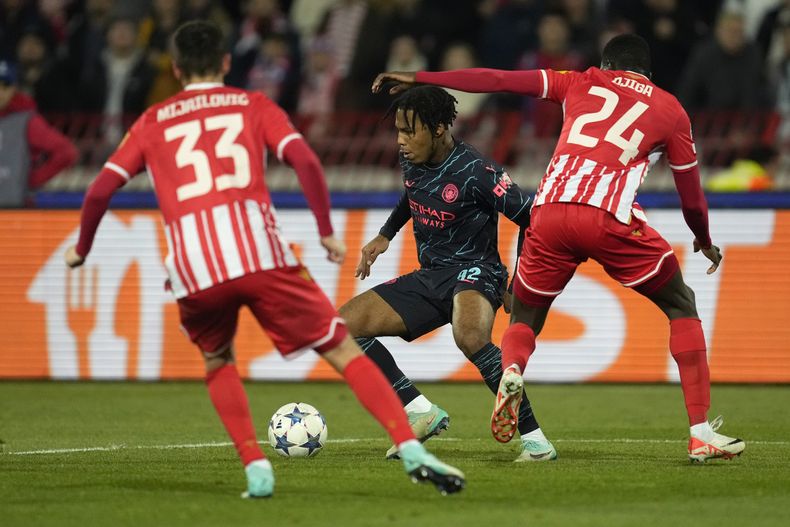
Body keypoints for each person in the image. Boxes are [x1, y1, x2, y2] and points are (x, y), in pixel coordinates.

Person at [64, 20, 464, 498]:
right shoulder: (251, 104)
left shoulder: (153, 120)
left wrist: (81, 249)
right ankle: (410, 446)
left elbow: (100, 190)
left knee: (217, 359)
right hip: (257, 250)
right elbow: (306, 162)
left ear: (175, 68)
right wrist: (324, 232)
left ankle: (255, 467)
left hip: (194, 265)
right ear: (227, 63)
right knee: (339, 345)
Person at [372, 33, 746, 464]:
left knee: (525, 317)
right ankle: (700, 432)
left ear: (605, 65)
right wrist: (701, 237)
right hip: (607, 214)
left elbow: (496, 80)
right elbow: (692, 194)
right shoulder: (670, 109)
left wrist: (420, 76)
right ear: (647, 72)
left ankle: (511, 371)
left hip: (547, 213)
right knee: (681, 304)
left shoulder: (580, 82)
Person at [339, 85, 556, 463]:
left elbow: (530, 219)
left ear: (439, 128)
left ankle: (536, 440)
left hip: (477, 271)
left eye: (410, 131)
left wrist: (519, 283)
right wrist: (386, 234)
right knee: (341, 327)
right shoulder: (412, 161)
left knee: (469, 335)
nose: (401, 141)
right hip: (430, 275)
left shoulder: (478, 171)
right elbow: (413, 193)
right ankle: (419, 410)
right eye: (398, 132)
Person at [0, 59, 77, 207]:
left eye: (5, 86)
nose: (0, 92)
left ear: (15, 88)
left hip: (15, 206)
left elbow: (66, 152)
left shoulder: (26, 120)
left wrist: (32, 180)